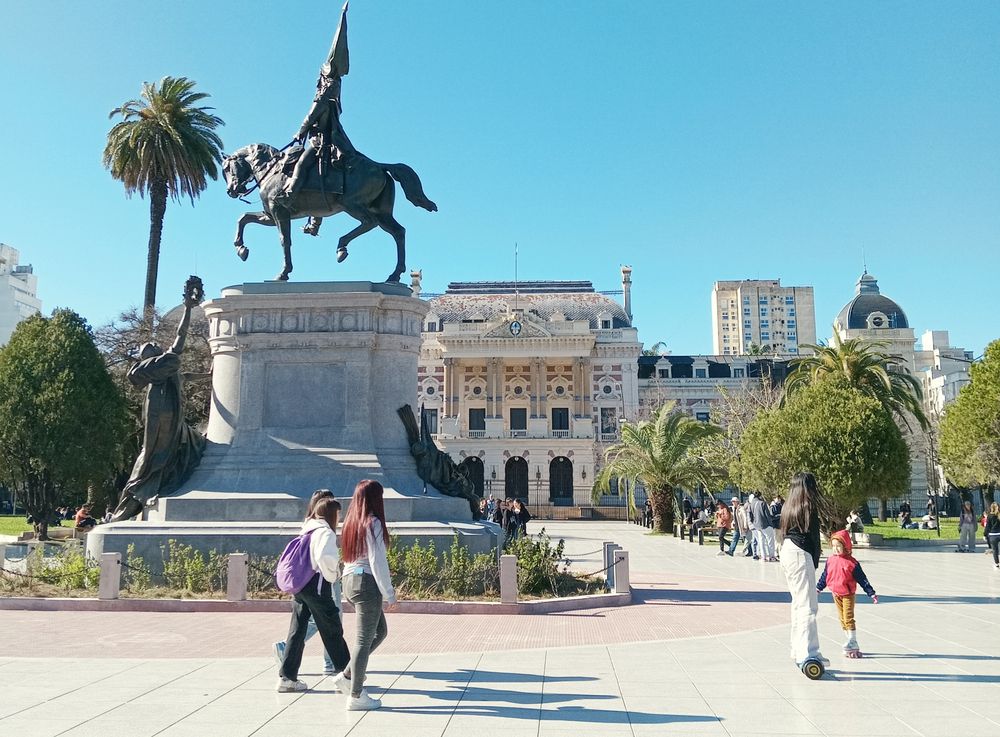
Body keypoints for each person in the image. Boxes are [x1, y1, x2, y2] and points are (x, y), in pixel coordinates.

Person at [277, 495, 352, 694]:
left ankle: (287, 677)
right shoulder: (325, 532)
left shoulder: (307, 529)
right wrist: (334, 575)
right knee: (332, 628)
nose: (339, 518)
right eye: (338, 514)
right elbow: (325, 557)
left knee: (298, 629)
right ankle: (348, 676)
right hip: (317, 584)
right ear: (331, 514)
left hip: (300, 586)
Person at [341, 479, 397, 711]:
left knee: (380, 631)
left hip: (349, 580)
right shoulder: (372, 522)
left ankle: (346, 675)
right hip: (366, 582)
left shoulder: (351, 522)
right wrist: (389, 593)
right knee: (364, 640)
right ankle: (355, 694)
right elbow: (377, 561)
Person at [779, 472, 828, 669]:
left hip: (788, 550)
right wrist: (814, 560)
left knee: (798, 604)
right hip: (800, 553)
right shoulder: (807, 506)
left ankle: (797, 648)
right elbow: (814, 536)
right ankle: (809, 652)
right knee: (808, 606)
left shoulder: (788, 506)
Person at [816, 529, 878, 657]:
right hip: (835, 593)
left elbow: (862, 578)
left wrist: (870, 592)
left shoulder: (851, 563)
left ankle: (853, 641)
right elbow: (825, 576)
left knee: (848, 617)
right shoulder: (830, 560)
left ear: (846, 546)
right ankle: (849, 640)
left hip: (848, 594)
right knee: (842, 619)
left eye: (838, 546)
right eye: (833, 546)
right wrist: (819, 588)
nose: (836, 549)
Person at [748, 492, 776, 561]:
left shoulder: (751, 504)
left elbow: (750, 515)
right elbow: (767, 515)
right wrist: (771, 524)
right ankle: (771, 556)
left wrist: (753, 522)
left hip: (757, 525)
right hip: (765, 524)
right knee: (770, 540)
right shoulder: (762, 503)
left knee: (761, 541)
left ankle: (763, 557)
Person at [984, 502, 1000, 569]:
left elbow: (987, 527)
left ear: (991, 508)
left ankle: (997, 564)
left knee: (995, 550)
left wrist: (985, 535)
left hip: (993, 535)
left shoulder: (990, 516)